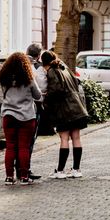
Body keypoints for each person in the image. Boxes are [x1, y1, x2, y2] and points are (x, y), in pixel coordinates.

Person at [39, 51, 90, 179]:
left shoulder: (52, 71)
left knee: (64, 138)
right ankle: (76, 169)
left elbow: (56, 90)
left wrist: (46, 99)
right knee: (76, 138)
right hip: (77, 107)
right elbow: (77, 84)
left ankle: (60, 171)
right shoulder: (64, 68)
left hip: (64, 110)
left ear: (44, 63)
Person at [0, 52, 43, 186]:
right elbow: (37, 95)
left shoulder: (4, 78)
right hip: (26, 116)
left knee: (10, 146)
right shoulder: (28, 78)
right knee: (23, 147)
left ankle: (9, 177)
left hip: (8, 115)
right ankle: (24, 177)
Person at [24, 43, 47, 181]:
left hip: (11, 108)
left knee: (15, 143)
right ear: (38, 55)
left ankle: (14, 171)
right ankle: (26, 169)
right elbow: (41, 89)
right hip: (33, 108)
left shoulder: (16, 65)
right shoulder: (38, 69)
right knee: (29, 141)